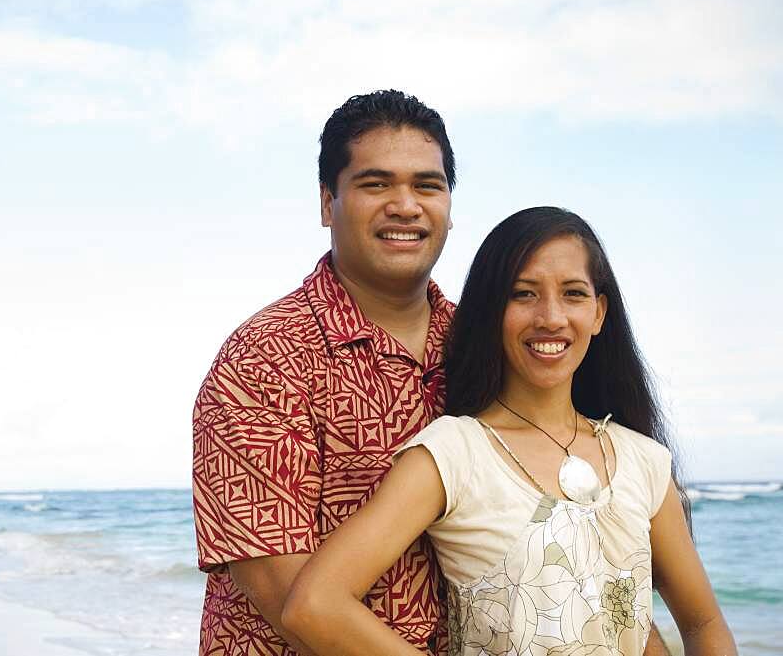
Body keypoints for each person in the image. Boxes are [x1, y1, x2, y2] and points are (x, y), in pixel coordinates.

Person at [281, 207, 736, 655]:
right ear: (492, 311)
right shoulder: (454, 452)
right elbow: (315, 606)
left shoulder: (643, 459)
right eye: (523, 294)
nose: (551, 317)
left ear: (598, 314)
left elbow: (704, 623)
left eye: (573, 294)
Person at [193, 89, 457, 655]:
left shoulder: (480, 348)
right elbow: (289, 600)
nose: (405, 205)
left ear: (449, 207)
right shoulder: (263, 359)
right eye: (375, 183)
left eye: (426, 185)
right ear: (326, 202)